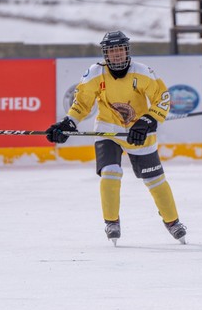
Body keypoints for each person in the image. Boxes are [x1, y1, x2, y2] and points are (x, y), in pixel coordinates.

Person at [45, 31, 186, 246]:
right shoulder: (94, 74)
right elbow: (82, 104)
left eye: (120, 49)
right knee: (110, 173)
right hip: (108, 129)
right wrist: (68, 123)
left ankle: (173, 221)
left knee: (155, 180)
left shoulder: (143, 72)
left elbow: (162, 98)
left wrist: (147, 121)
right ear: (106, 54)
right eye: (112, 51)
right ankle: (111, 221)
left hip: (139, 132)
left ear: (126, 51)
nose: (117, 55)